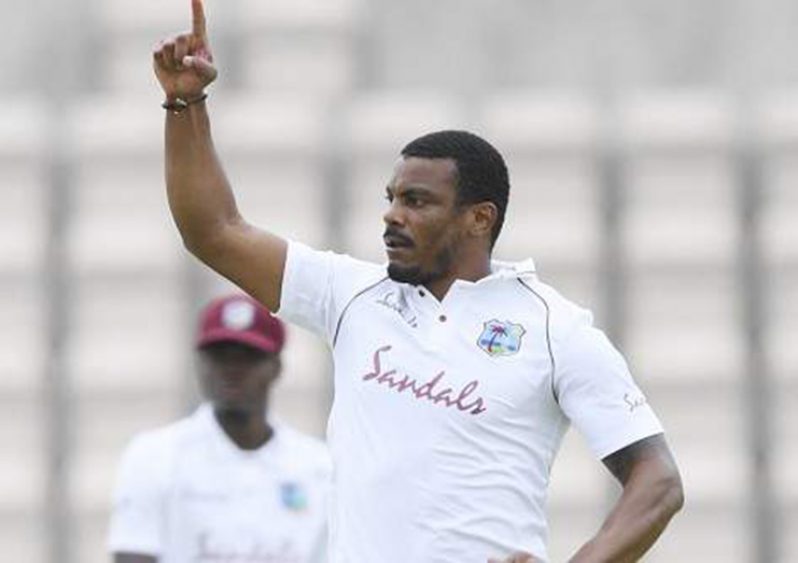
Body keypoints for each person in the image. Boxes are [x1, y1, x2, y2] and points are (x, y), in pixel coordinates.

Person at [151, 1, 684, 561]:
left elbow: (658, 480)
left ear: (479, 218)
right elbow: (213, 231)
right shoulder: (351, 295)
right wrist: (184, 100)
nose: (392, 215)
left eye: (417, 201)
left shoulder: (554, 328)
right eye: (391, 199)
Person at [108, 294, 331, 563]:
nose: (231, 370)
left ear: (276, 367)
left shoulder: (319, 467)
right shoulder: (154, 457)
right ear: (200, 364)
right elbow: (134, 554)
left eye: (248, 358)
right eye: (219, 357)